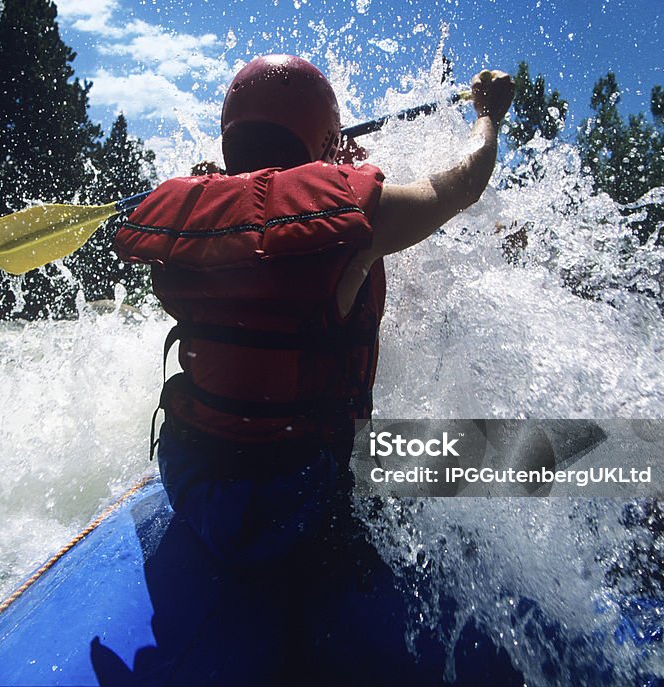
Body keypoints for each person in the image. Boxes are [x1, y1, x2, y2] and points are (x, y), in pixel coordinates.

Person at [112, 55, 516, 682]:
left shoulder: (188, 209)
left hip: (192, 480)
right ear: (323, 136)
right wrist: (488, 117)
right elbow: (463, 184)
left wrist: (319, 165)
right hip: (296, 503)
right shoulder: (357, 221)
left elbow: (253, 211)